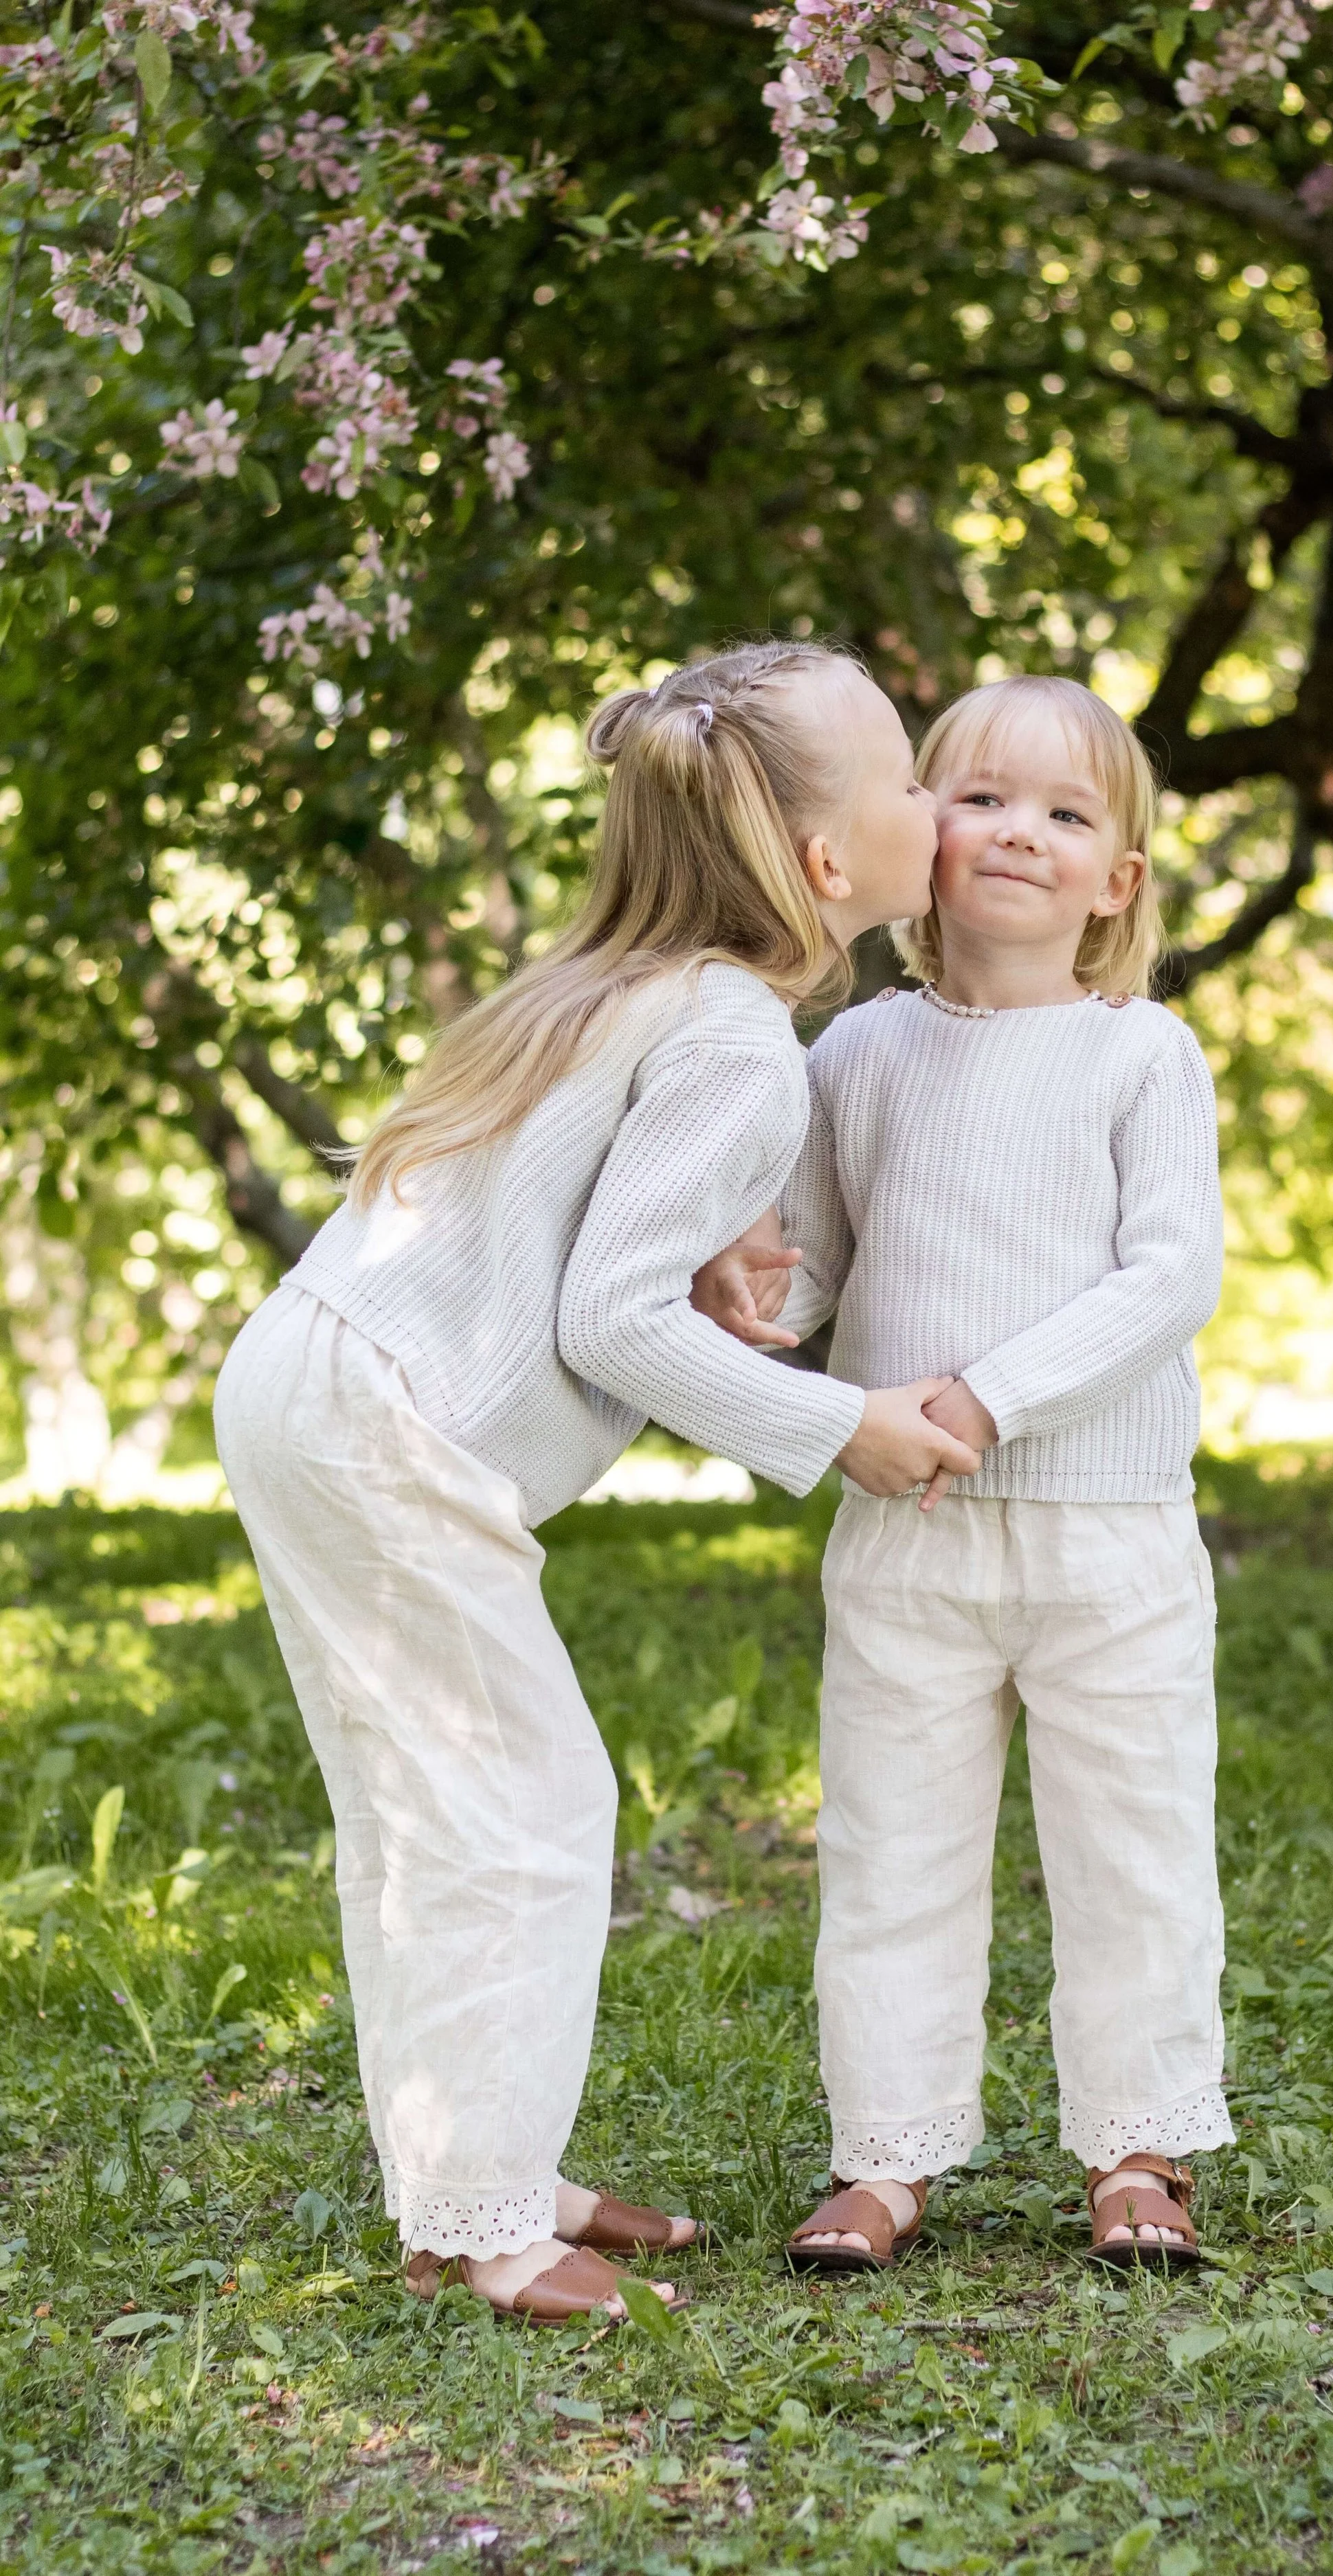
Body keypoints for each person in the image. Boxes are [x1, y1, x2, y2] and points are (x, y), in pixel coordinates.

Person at [213, 642, 982, 2325]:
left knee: (430, 1819)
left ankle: (479, 2167)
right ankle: (486, 2228)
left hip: (314, 1380)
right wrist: (837, 1421)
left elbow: (582, 1242)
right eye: (911, 778)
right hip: (380, 1425)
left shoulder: (627, 988)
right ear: (829, 869)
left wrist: (707, 1265)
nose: (940, 801)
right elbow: (607, 1316)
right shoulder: (736, 1040)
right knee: (528, 1812)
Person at [695, 675, 1230, 2274]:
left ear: (1116, 881)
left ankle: (1136, 2152)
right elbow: (813, 1270)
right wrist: (749, 1289)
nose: (1019, 834)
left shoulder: (1141, 1058)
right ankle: (887, 2154)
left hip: (1108, 1537)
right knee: (890, 1846)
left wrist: (988, 1397)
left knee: (1131, 1848)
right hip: (905, 1537)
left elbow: (1166, 1281)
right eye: (981, 798)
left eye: (1068, 816)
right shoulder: (853, 1052)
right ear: (917, 833)